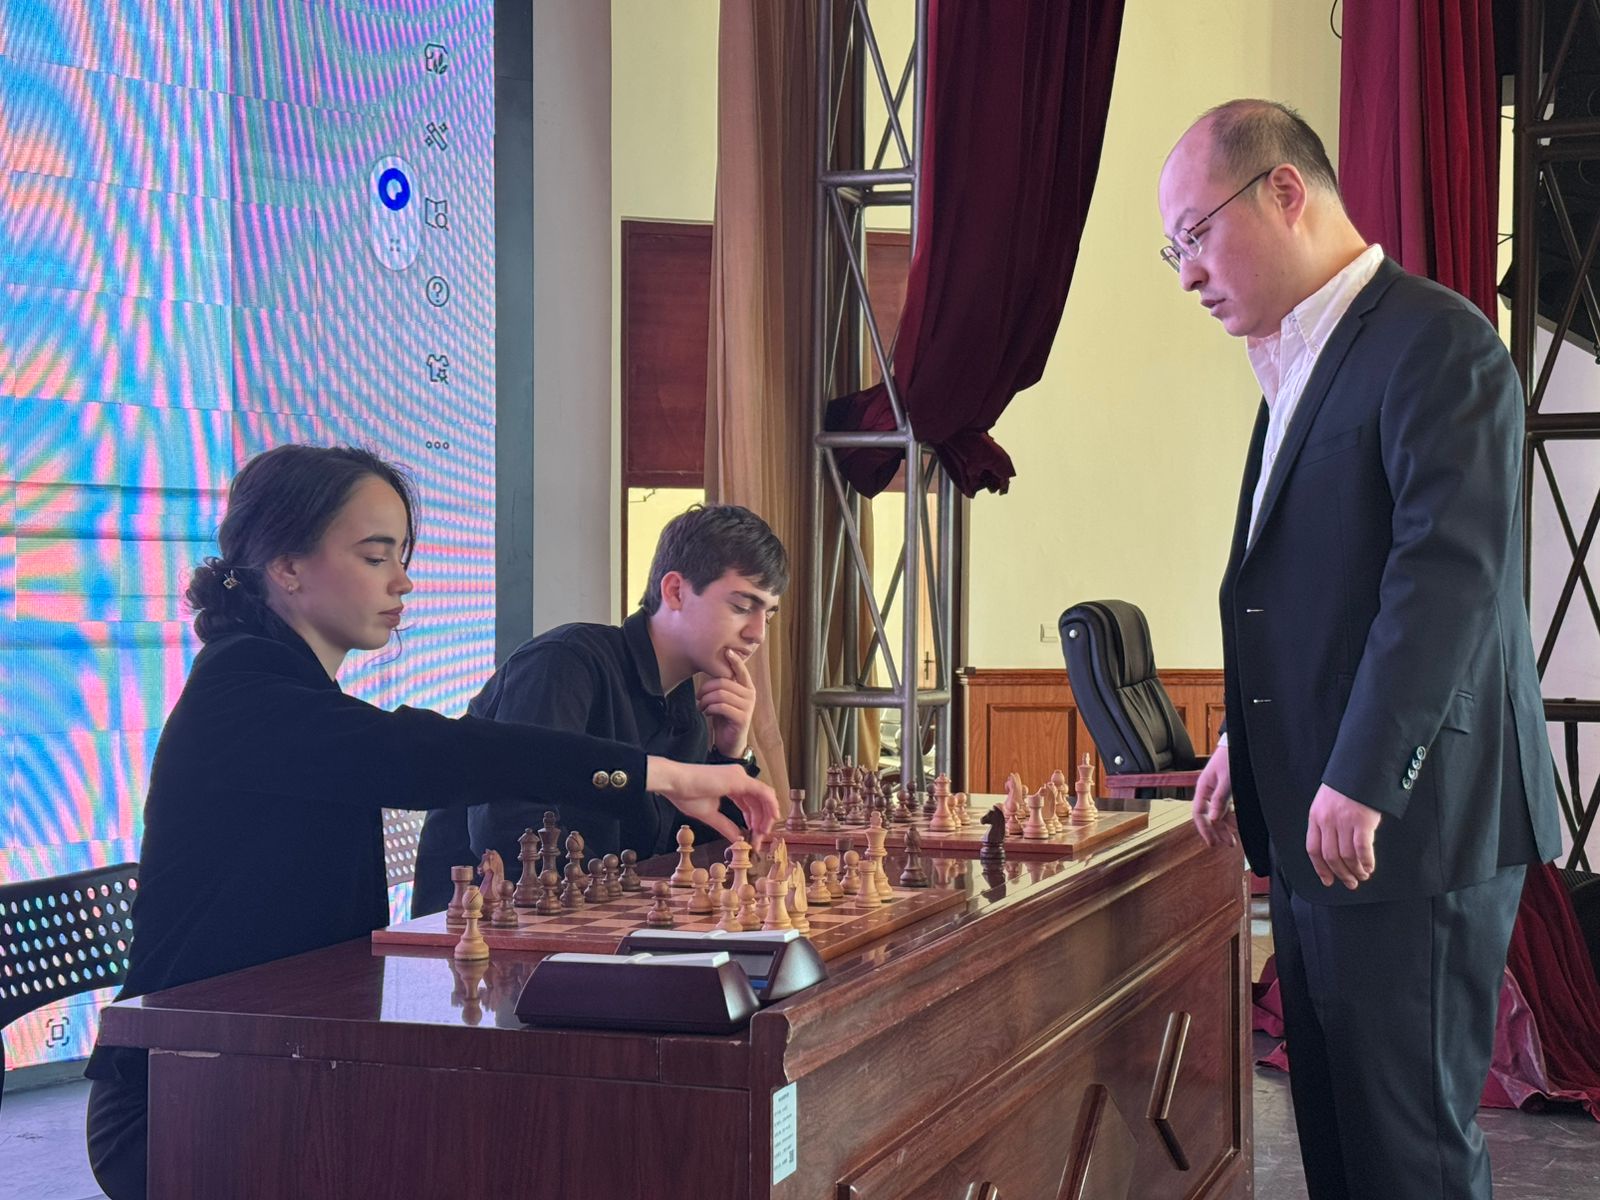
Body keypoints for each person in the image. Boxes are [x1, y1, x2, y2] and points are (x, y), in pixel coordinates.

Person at [82, 446, 778, 1200]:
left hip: (287, 1055)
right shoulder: (242, 689)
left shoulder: (285, 686)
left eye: (403, 556)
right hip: (178, 1089)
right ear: (287, 567)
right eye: (375, 555)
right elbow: (426, 752)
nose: (403, 580)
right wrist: (657, 773)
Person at [1158, 101, 1562, 1199]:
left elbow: (1445, 576)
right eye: (1173, 249)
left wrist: (1365, 771)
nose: (1187, 273)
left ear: (1283, 191)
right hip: (1323, 818)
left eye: (1195, 234)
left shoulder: (1438, 342)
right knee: (1339, 1145)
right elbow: (1317, 594)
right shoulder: (1297, 359)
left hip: (1409, 825)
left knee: (1407, 1155)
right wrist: (1248, 742)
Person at [412, 504, 787, 916]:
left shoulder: (689, 713)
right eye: (741, 606)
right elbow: (506, 827)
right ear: (676, 591)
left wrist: (730, 752)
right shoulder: (565, 662)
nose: (758, 634)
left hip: (594, 922)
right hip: (479, 930)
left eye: (768, 615)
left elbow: (686, 861)